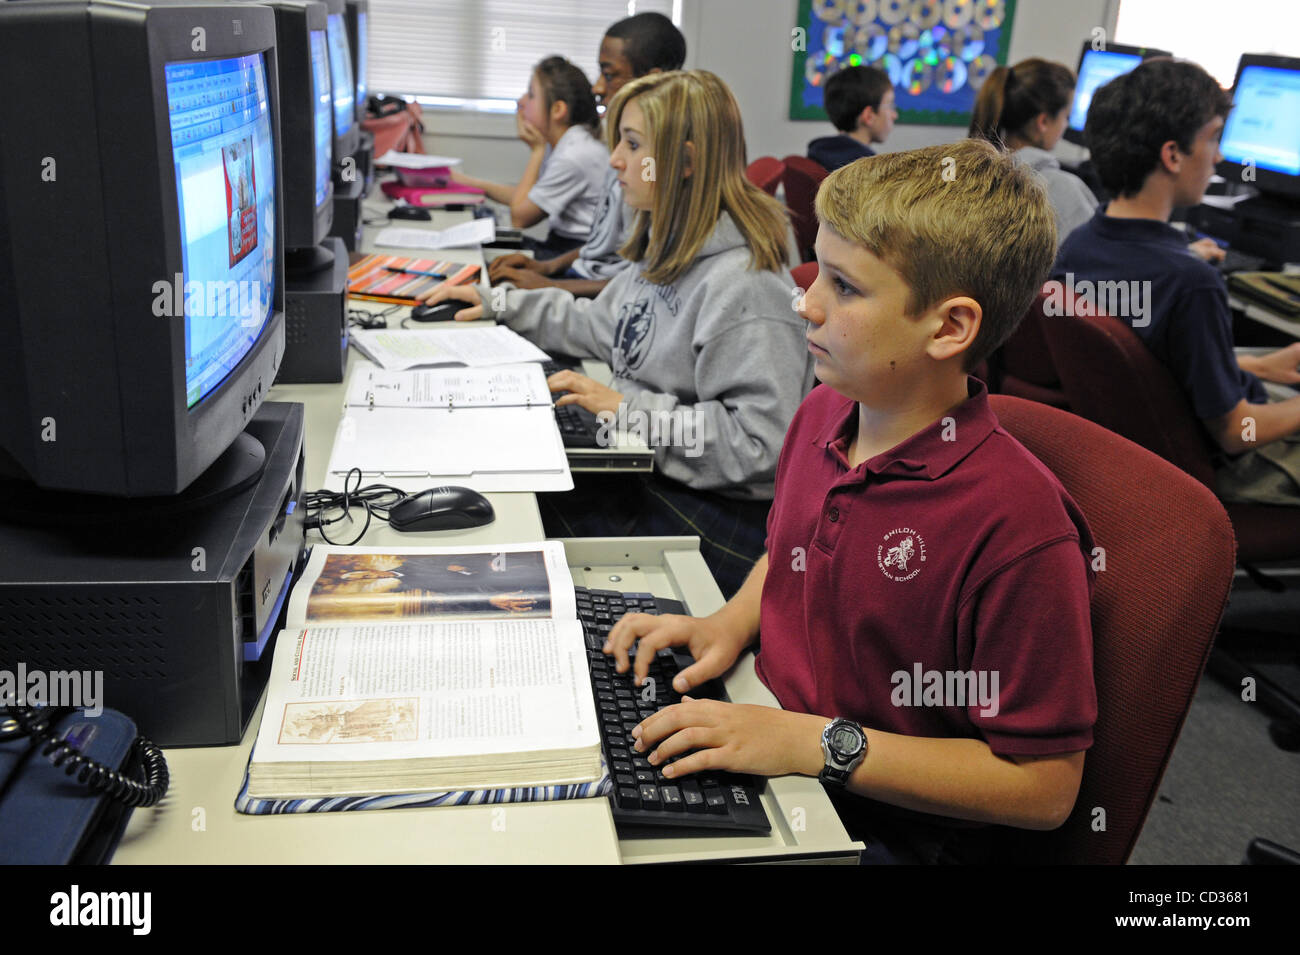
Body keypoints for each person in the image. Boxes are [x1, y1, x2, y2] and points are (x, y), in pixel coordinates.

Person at [603, 139, 1097, 864]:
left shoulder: (1017, 526)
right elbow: (790, 549)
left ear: (950, 327)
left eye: (845, 285)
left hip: (884, 822)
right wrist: (730, 622)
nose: (805, 301)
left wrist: (812, 742)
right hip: (778, 735)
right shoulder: (823, 411)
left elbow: (1044, 787)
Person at [422, 71, 814, 597]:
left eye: (632, 145)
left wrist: (623, 408)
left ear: (686, 162)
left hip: (715, 515)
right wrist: (500, 304)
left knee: (505, 540)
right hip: (655, 469)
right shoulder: (671, 247)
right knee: (497, 482)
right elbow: (597, 325)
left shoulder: (745, 286)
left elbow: (759, 445)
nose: (615, 160)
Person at [1056, 57, 1300, 505]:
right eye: (1213, 138)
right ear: (1172, 155)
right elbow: (1234, 431)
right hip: (1224, 469)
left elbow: (1149, 363)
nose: (1221, 156)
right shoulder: (1193, 283)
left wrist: (1257, 366)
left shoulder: (1080, 244)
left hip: (1130, 461)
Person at [488, 12, 686, 297]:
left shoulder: (653, 167)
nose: (597, 87)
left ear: (652, 79)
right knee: (486, 292)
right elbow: (602, 244)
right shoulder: (622, 150)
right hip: (578, 275)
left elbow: (642, 285)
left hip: (598, 297)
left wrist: (552, 286)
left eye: (609, 74)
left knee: (496, 303)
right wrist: (546, 269)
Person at [451, 56, 606, 259]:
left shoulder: (573, 155)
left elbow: (520, 218)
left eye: (531, 95)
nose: (521, 102)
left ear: (558, 110)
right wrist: (466, 182)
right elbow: (527, 197)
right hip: (567, 247)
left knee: (485, 258)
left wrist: (537, 151)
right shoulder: (569, 142)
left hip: (577, 254)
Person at [968, 58, 1099, 246]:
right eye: (1066, 117)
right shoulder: (1062, 189)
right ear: (1043, 122)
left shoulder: (974, 174)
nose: (1066, 125)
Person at [806, 65, 896, 172]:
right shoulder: (870, 172)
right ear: (869, 116)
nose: (895, 115)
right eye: (890, 106)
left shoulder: (818, 153)